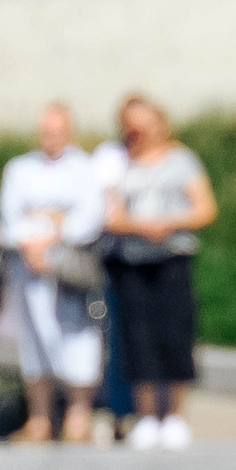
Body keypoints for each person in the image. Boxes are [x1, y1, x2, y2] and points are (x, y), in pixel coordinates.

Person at [102, 95, 218, 451]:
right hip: (133, 261)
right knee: (139, 337)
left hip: (171, 258)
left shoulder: (181, 161)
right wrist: (140, 227)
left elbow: (205, 209)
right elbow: (112, 215)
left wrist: (168, 223)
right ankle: (147, 414)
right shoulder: (118, 162)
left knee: (175, 333)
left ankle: (176, 414)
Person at [0, 103, 108, 443]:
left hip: (69, 271)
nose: (52, 139)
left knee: (78, 340)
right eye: (47, 132)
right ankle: (40, 417)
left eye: (58, 132)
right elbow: (10, 216)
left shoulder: (84, 168)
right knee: (34, 344)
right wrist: (34, 240)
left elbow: (88, 217)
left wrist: (54, 233)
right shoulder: (20, 169)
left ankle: (78, 415)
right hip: (30, 269)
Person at [91, 107, 138, 438]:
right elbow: (108, 211)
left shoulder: (167, 158)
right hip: (117, 259)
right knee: (117, 337)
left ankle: (150, 412)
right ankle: (118, 411)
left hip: (155, 262)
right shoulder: (108, 157)